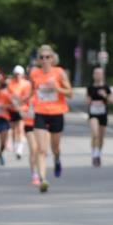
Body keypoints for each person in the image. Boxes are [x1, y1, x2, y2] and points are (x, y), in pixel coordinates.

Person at [30, 45, 72, 192]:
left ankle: (57, 159)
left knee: (55, 147)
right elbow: (31, 91)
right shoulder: (34, 73)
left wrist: (57, 88)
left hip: (57, 113)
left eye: (48, 57)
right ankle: (43, 179)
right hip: (40, 112)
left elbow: (69, 93)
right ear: (38, 60)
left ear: (53, 58)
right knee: (41, 149)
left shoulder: (59, 72)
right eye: (42, 57)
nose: (45, 60)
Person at [86, 66, 113, 167]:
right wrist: (89, 101)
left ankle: (99, 153)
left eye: (100, 73)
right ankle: (94, 154)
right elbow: (87, 100)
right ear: (93, 75)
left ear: (102, 75)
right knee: (95, 134)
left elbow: (112, 100)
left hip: (103, 114)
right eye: (96, 73)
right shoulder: (90, 87)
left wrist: (105, 95)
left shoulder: (106, 87)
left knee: (101, 137)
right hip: (93, 113)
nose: (98, 75)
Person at [8, 65, 32, 160]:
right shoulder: (11, 84)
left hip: (22, 109)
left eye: (19, 74)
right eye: (16, 74)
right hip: (13, 109)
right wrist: (12, 100)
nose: (18, 76)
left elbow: (27, 96)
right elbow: (9, 96)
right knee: (13, 129)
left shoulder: (26, 84)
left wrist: (20, 100)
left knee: (20, 129)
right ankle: (15, 144)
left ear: (22, 74)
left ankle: (19, 149)